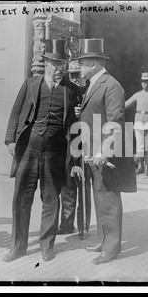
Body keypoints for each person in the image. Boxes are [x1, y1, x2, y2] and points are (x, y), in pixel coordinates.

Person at [3, 39, 78, 262]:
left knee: (51, 198)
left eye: (62, 64)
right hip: (28, 149)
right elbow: (15, 112)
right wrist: (10, 140)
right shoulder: (30, 84)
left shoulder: (71, 90)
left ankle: (47, 245)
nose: (59, 69)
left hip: (55, 152)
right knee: (22, 198)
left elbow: (75, 123)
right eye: (55, 64)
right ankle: (18, 246)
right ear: (46, 63)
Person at [75, 38, 137, 265]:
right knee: (100, 197)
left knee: (108, 199)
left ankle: (111, 249)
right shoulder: (95, 83)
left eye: (81, 63)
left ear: (93, 63)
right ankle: (104, 240)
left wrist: (104, 152)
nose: (78, 68)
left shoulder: (111, 85)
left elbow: (115, 122)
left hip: (103, 154)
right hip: (93, 151)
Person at [58, 60, 92, 240]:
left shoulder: (91, 87)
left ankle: (83, 226)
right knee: (68, 184)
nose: (75, 77)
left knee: (83, 184)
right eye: (72, 74)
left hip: (86, 142)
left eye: (78, 73)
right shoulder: (66, 90)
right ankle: (66, 224)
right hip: (70, 142)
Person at [125, 72, 148, 175]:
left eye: (147, 81)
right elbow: (126, 105)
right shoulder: (137, 94)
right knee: (140, 145)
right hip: (138, 121)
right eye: (143, 81)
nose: (144, 84)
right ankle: (140, 166)